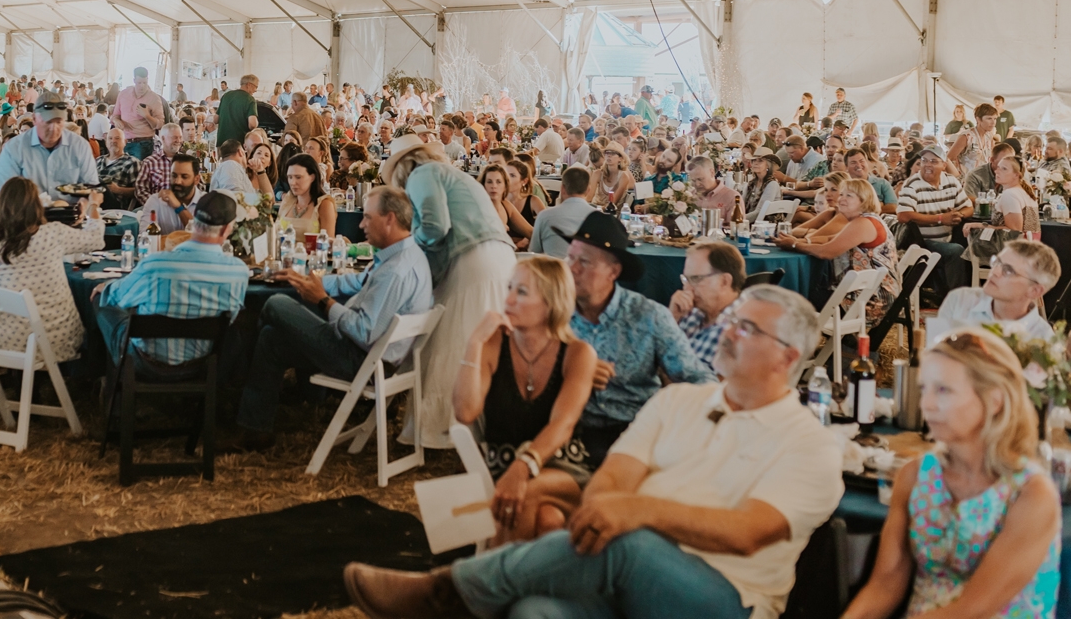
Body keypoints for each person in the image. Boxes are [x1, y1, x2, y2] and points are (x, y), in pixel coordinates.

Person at [347, 284, 841, 619]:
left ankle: (446, 592)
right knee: (534, 612)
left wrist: (635, 511)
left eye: (749, 329)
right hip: (619, 571)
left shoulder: (810, 443)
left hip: (725, 597)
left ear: (788, 357)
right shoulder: (676, 400)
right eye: (734, 319)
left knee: (631, 543)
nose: (729, 331)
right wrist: (612, 508)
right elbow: (612, 480)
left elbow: (746, 534)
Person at [842, 330, 1059, 619]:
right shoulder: (915, 476)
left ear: (994, 400)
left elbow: (973, 608)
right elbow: (885, 584)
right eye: (924, 389)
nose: (927, 404)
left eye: (943, 390)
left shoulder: (1031, 493)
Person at [231, 186, 434, 449]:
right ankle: (257, 429)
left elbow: (362, 332)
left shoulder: (396, 271)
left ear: (390, 219)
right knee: (271, 338)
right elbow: (358, 280)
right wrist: (311, 281)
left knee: (276, 303)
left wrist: (323, 301)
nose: (361, 224)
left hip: (362, 361)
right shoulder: (405, 254)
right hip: (370, 353)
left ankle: (231, 379)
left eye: (367, 218)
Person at [383, 135, 517, 449]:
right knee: (480, 344)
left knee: (450, 342)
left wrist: (406, 247)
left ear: (402, 166)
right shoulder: (454, 175)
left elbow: (434, 227)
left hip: (473, 261)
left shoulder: (422, 175)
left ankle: (447, 429)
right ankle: (483, 425)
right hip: (498, 258)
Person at [454, 257, 598, 544]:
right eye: (509, 288)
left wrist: (524, 468)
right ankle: (534, 585)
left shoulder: (578, 353)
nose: (507, 299)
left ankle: (489, 580)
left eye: (521, 292)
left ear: (551, 303)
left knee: (527, 490)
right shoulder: (495, 344)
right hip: (502, 470)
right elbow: (465, 412)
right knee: (549, 520)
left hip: (564, 470)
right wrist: (474, 344)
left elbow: (563, 423)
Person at [565, 211, 716, 456]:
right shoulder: (554, 311)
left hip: (635, 433)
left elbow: (698, 378)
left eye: (584, 262)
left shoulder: (648, 316)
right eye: (569, 258)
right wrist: (572, 369)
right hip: (568, 427)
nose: (571, 269)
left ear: (613, 272)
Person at [93, 192, 249, 376]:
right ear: (226, 230)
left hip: (145, 363)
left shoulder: (155, 264)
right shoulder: (238, 271)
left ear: (193, 223)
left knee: (101, 298)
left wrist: (106, 287)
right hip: (202, 365)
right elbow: (230, 319)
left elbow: (116, 298)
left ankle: (106, 381)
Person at [0, 178, 105, 362]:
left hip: (10, 340)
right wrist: (94, 206)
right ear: (37, 205)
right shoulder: (54, 233)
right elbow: (95, 239)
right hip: (60, 339)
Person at [777, 178, 900, 324]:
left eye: (849, 195)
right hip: (870, 294)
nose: (841, 199)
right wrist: (800, 241)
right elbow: (830, 239)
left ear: (864, 200)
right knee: (807, 287)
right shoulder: (865, 220)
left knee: (793, 294)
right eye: (842, 194)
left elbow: (826, 252)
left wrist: (794, 245)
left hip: (871, 302)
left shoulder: (863, 223)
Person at [935, 239, 1061, 342]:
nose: (994, 271)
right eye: (997, 262)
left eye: (1008, 270)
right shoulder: (960, 300)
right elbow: (932, 361)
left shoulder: (1043, 339)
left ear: (1034, 291)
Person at [0, 93, 98, 204]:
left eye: (59, 122)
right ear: (34, 119)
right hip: (27, 217)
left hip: (71, 216)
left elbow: (92, 188)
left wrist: (87, 203)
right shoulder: (14, 148)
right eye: (48, 122)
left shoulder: (79, 146)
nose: (53, 128)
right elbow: (3, 192)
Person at [897, 145, 974, 290]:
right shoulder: (912, 184)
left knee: (975, 247)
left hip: (948, 238)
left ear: (944, 165)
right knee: (956, 251)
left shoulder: (951, 181)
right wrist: (940, 218)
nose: (927, 165)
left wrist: (958, 215)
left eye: (933, 161)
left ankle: (968, 293)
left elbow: (968, 207)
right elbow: (903, 215)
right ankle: (954, 299)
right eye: (924, 160)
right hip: (922, 242)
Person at [670, 241, 745, 369]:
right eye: (685, 280)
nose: (687, 289)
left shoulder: (738, 331)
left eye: (696, 279)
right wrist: (671, 317)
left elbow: (708, 387)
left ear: (724, 282)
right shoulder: (691, 312)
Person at [530, 167, 596, 258]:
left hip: (553, 269)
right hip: (584, 270)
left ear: (562, 189)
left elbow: (534, 251)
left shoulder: (545, 216)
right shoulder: (598, 218)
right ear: (588, 190)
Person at [110, 67, 165, 160]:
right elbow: (115, 115)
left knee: (137, 172)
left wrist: (147, 116)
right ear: (134, 80)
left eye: (145, 82)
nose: (142, 86)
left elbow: (160, 124)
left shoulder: (154, 98)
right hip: (123, 141)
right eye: (139, 83)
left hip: (143, 143)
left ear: (148, 80)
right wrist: (116, 120)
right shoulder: (123, 94)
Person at [277, 152, 337, 236]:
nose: (292, 182)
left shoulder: (324, 204)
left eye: (298, 177)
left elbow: (328, 242)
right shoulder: (288, 199)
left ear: (312, 177)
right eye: (290, 177)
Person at [140, 153, 202, 233]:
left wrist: (179, 207)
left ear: (196, 179)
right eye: (174, 176)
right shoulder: (156, 200)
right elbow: (145, 237)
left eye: (184, 177)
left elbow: (204, 237)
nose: (178, 182)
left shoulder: (206, 202)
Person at [481, 164, 534, 250]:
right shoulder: (479, 206)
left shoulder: (506, 205)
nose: (494, 186)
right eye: (489, 181)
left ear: (505, 186)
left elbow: (530, 232)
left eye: (498, 182)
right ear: (483, 185)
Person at [134, 123, 182, 204]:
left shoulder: (187, 161)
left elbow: (200, 186)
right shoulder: (150, 162)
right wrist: (155, 204)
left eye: (180, 137)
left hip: (184, 208)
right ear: (163, 138)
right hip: (158, 208)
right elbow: (140, 190)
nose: (178, 141)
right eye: (175, 137)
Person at [94, 127, 140, 211]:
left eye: (117, 138)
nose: (113, 141)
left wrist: (118, 190)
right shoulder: (98, 160)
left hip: (114, 206)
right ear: (106, 142)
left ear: (125, 142)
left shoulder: (132, 162)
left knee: (101, 183)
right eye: (110, 138)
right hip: (91, 200)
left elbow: (140, 191)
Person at [950, 103, 1000, 176]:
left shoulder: (989, 137)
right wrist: (956, 176)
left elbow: (992, 159)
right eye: (989, 118)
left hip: (983, 181)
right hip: (967, 182)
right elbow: (947, 159)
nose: (993, 122)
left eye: (995, 118)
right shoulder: (966, 137)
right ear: (978, 119)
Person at [843, 148, 896, 214]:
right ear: (846, 167)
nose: (859, 165)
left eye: (861, 161)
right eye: (853, 162)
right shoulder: (843, 187)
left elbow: (894, 208)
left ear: (867, 162)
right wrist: (878, 205)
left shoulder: (882, 183)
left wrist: (858, 209)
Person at [216, 73, 259, 147]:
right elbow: (252, 124)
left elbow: (215, 119)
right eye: (256, 86)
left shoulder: (226, 95)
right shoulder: (250, 99)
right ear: (249, 85)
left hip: (222, 143)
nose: (256, 90)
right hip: (238, 145)